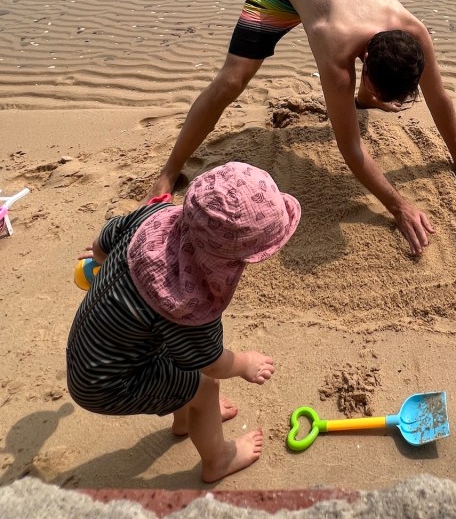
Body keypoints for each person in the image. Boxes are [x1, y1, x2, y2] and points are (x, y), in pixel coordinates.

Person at [151, 0, 456, 255]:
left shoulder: (414, 33)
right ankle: (168, 174)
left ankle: (366, 99)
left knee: (373, 88)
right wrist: (399, 207)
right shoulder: (335, 49)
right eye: (375, 89)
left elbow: (438, 97)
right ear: (364, 61)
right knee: (231, 81)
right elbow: (351, 148)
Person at [66, 162, 300, 482]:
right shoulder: (188, 302)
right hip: (106, 382)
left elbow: (100, 247)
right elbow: (212, 364)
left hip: (89, 346)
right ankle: (218, 459)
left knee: (177, 361)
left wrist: (108, 267)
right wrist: (245, 363)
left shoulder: (153, 216)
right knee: (205, 387)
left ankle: (185, 421)